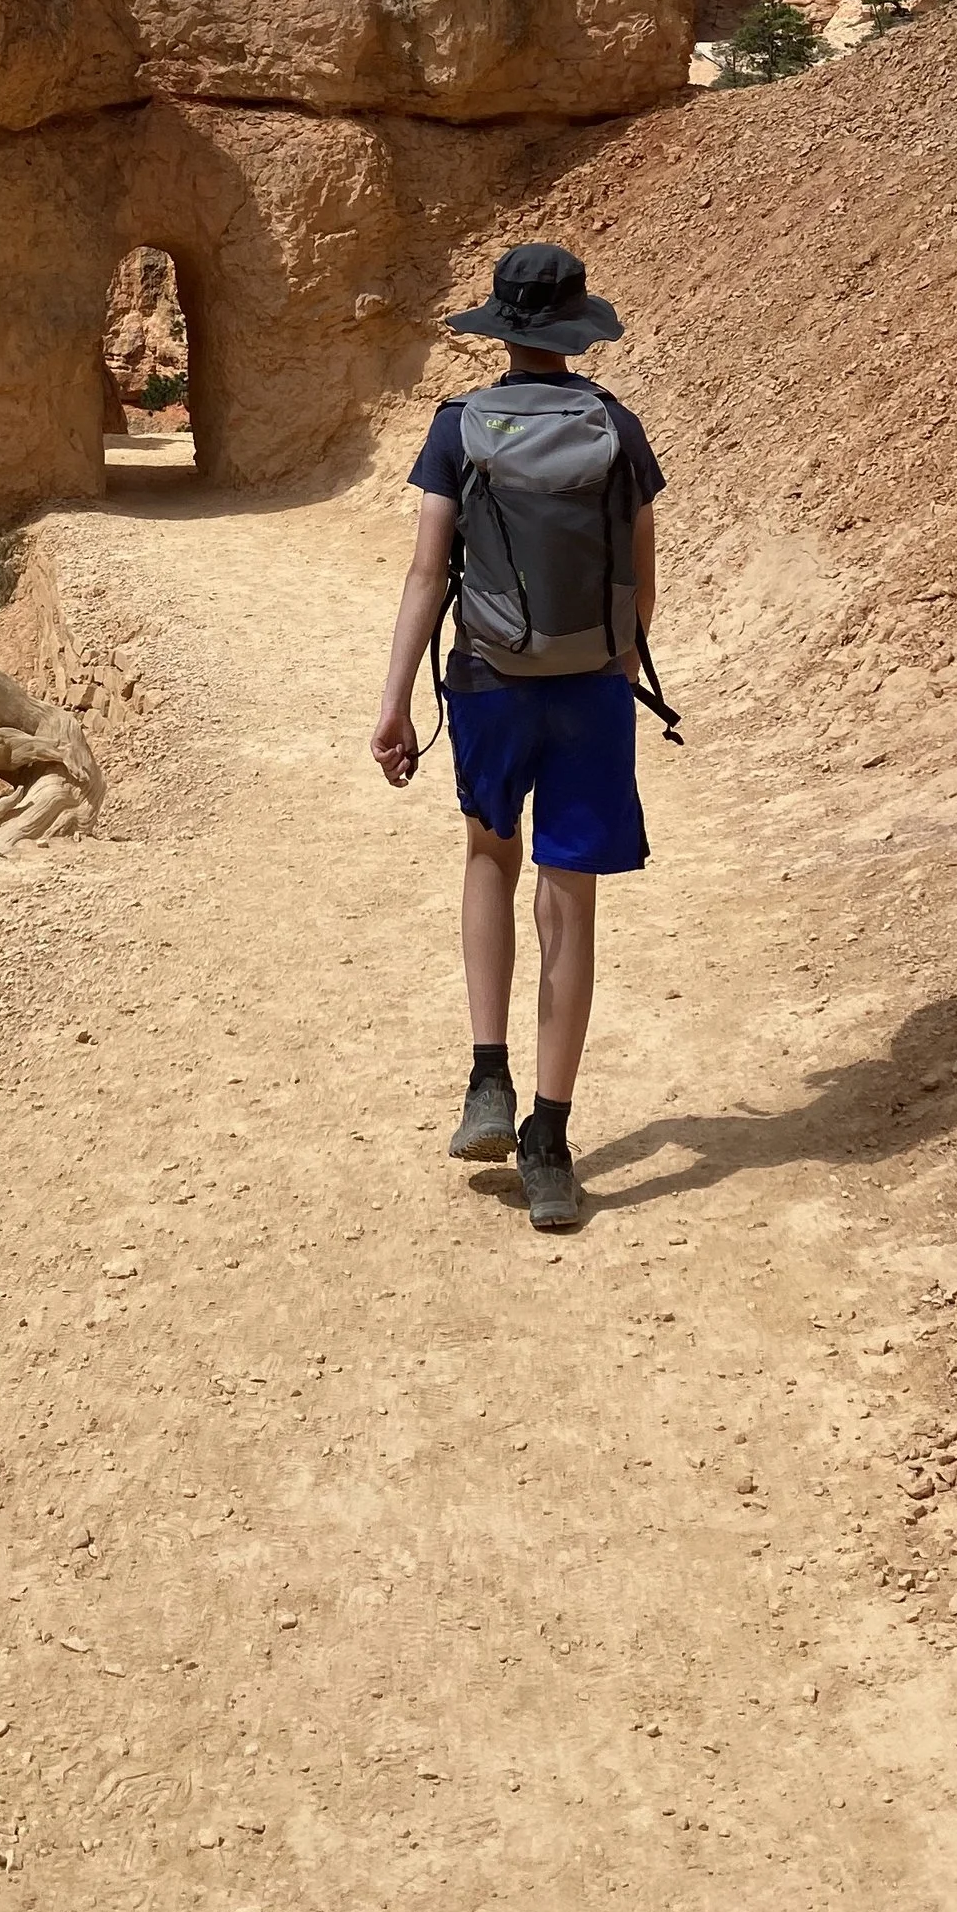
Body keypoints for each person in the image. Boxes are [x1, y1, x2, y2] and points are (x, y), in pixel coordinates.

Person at [370, 243, 665, 1232]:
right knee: (570, 903)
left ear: (499, 330)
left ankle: (485, 1079)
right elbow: (643, 583)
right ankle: (549, 1140)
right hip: (589, 688)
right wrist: (611, 675)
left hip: (488, 681)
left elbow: (425, 575)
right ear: (577, 330)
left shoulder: (459, 427)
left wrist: (396, 697)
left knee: (488, 860)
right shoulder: (616, 428)